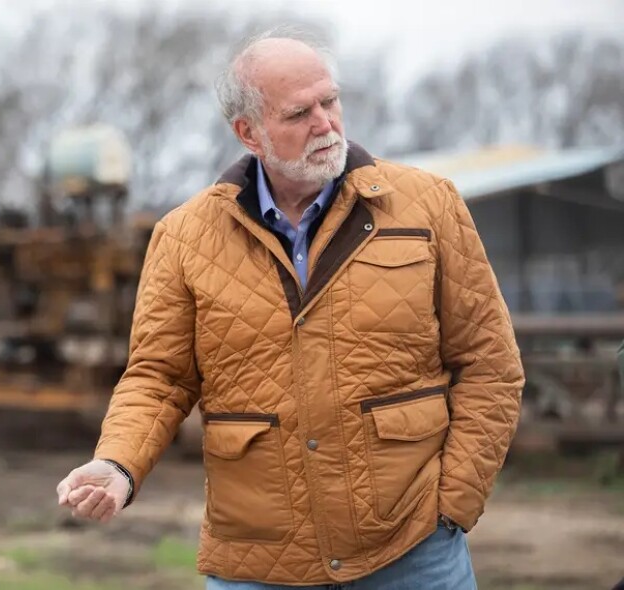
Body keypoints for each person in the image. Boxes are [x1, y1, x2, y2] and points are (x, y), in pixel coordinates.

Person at [56, 27, 524, 589]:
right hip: (259, 556)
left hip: (412, 544)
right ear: (248, 132)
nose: (325, 124)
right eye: (299, 113)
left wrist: (455, 500)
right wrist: (117, 464)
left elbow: (489, 363)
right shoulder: (182, 237)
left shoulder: (429, 205)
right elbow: (159, 377)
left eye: (330, 101)